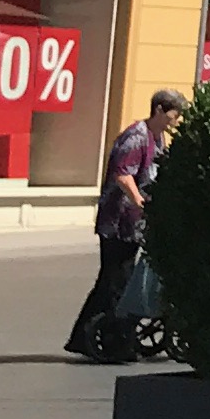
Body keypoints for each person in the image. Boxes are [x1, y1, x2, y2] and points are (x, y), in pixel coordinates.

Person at [66, 88, 185, 361]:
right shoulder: (136, 137)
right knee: (114, 280)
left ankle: (89, 336)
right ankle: (94, 337)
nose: (175, 122)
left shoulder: (158, 138)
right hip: (118, 222)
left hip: (135, 225)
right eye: (173, 116)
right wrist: (141, 202)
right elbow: (123, 175)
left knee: (119, 280)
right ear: (159, 110)